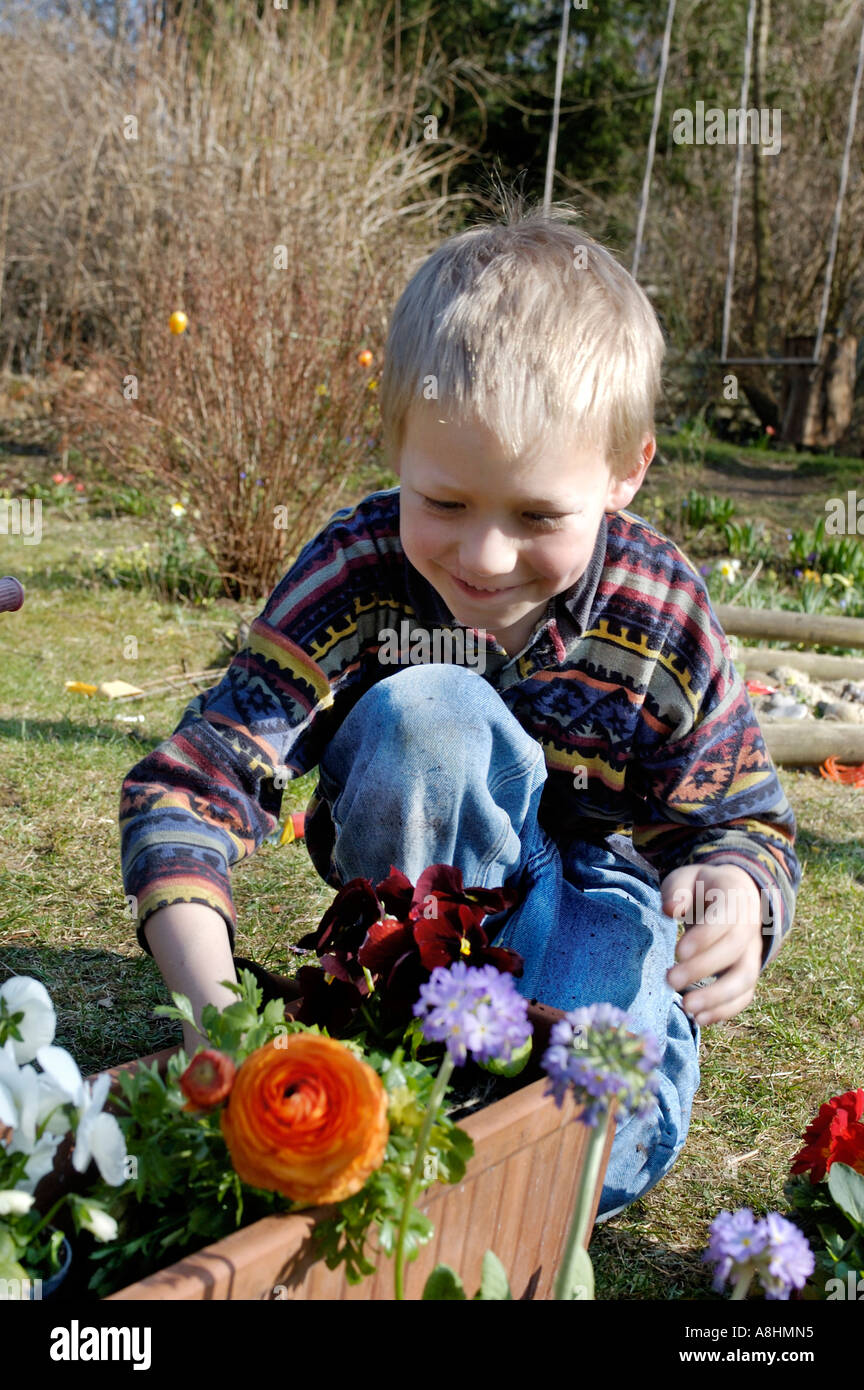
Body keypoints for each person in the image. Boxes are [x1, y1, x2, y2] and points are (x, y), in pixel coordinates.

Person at [119, 200, 800, 1221]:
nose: (484, 558)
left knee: (596, 1135)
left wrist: (737, 888)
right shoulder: (358, 571)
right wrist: (216, 1011)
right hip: (422, 887)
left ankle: (509, 1131)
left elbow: (739, 814)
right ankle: (399, 1047)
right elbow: (195, 785)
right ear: (395, 444)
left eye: (536, 516)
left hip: (599, 890)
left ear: (626, 473)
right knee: (430, 712)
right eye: (444, 503)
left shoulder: (662, 607)